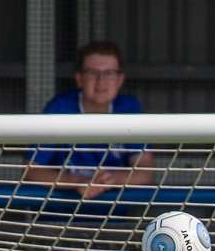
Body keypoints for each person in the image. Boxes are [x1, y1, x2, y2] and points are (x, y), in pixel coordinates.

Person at [25, 40, 156, 200]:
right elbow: (32, 171)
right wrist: (79, 181)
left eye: (109, 73)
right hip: (60, 214)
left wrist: (111, 179)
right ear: (79, 78)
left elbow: (145, 172)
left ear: (120, 79)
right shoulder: (60, 108)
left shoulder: (129, 109)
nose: (101, 81)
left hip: (115, 216)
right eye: (92, 73)